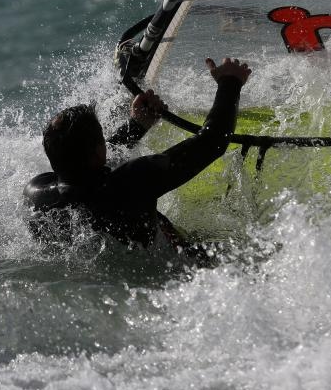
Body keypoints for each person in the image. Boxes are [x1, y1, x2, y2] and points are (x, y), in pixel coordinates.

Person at [23, 57, 252, 259]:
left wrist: (136, 126)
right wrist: (230, 82)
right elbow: (212, 142)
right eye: (102, 139)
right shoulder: (134, 180)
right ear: (95, 154)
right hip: (181, 268)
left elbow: (87, 174)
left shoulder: (36, 193)